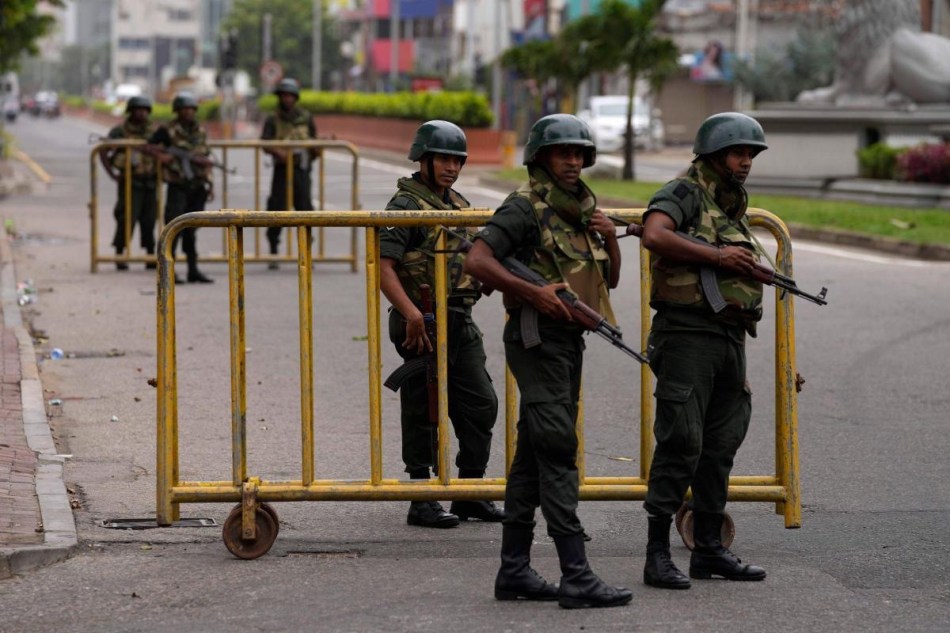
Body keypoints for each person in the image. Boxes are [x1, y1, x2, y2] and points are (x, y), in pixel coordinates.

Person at [464, 114, 632, 609]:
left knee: (533, 456)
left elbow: (608, 282)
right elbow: (477, 260)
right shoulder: (523, 207)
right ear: (541, 158)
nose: (573, 161)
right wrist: (532, 292)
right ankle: (576, 573)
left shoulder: (582, 211)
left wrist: (610, 239)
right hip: (537, 339)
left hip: (569, 341)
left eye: (579, 153)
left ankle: (514, 569)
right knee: (558, 447)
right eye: (563, 153)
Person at [638, 112, 769, 590]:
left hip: (728, 337)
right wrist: (718, 256)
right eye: (737, 153)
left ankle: (709, 548)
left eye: (750, 154)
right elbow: (655, 234)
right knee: (681, 442)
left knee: (719, 446)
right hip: (687, 335)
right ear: (713, 154)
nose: (746, 162)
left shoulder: (730, 205)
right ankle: (656, 555)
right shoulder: (685, 192)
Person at [380, 120, 504, 529]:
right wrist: (412, 314)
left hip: (460, 318)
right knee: (423, 408)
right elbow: (383, 268)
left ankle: (469, 491)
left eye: (457, 160)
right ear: (424, 159)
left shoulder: (459, 205)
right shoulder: (405, 206)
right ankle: (421, 496)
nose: (452, 167)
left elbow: (473, 259)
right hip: (421, 320)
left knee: (481, 403)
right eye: (444, 159)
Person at [147, 92, 214, 284]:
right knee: (174, 228)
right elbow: (149, 147)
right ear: (177, 111)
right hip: (178, 184)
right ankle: (169, 271)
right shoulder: (167, 130)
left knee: (192, 229)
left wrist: (210, 183)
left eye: (190, 109)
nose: (188, 112)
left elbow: (206, 157)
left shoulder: (199, 131)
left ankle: (193, 269)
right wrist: (163, 157)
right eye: (184, 109)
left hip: (198, 184)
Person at [260, 78, 318, 269]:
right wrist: (278, 152)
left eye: (290, 95)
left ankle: (306, 253)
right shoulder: (273, 118)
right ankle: (273, 251)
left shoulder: (306, 117)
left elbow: (314, 140)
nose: (287, 99)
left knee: (305, 210)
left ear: (295, 97)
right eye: (284, 95)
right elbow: (265, 142)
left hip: (302, 169)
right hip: (282, 170)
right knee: (277, 210)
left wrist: (317, 148)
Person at [101, 95, 158, 270]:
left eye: (144, 110)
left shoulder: (154, 131)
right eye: (138, 110)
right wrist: (112, 174)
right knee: (126, 218)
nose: (141, 114)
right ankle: (120, 253)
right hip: (130, 182)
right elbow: (103, 151)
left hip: (151, 181)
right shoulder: (120, 131)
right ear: (130, 112)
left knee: (149, 220)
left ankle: (150, 254)